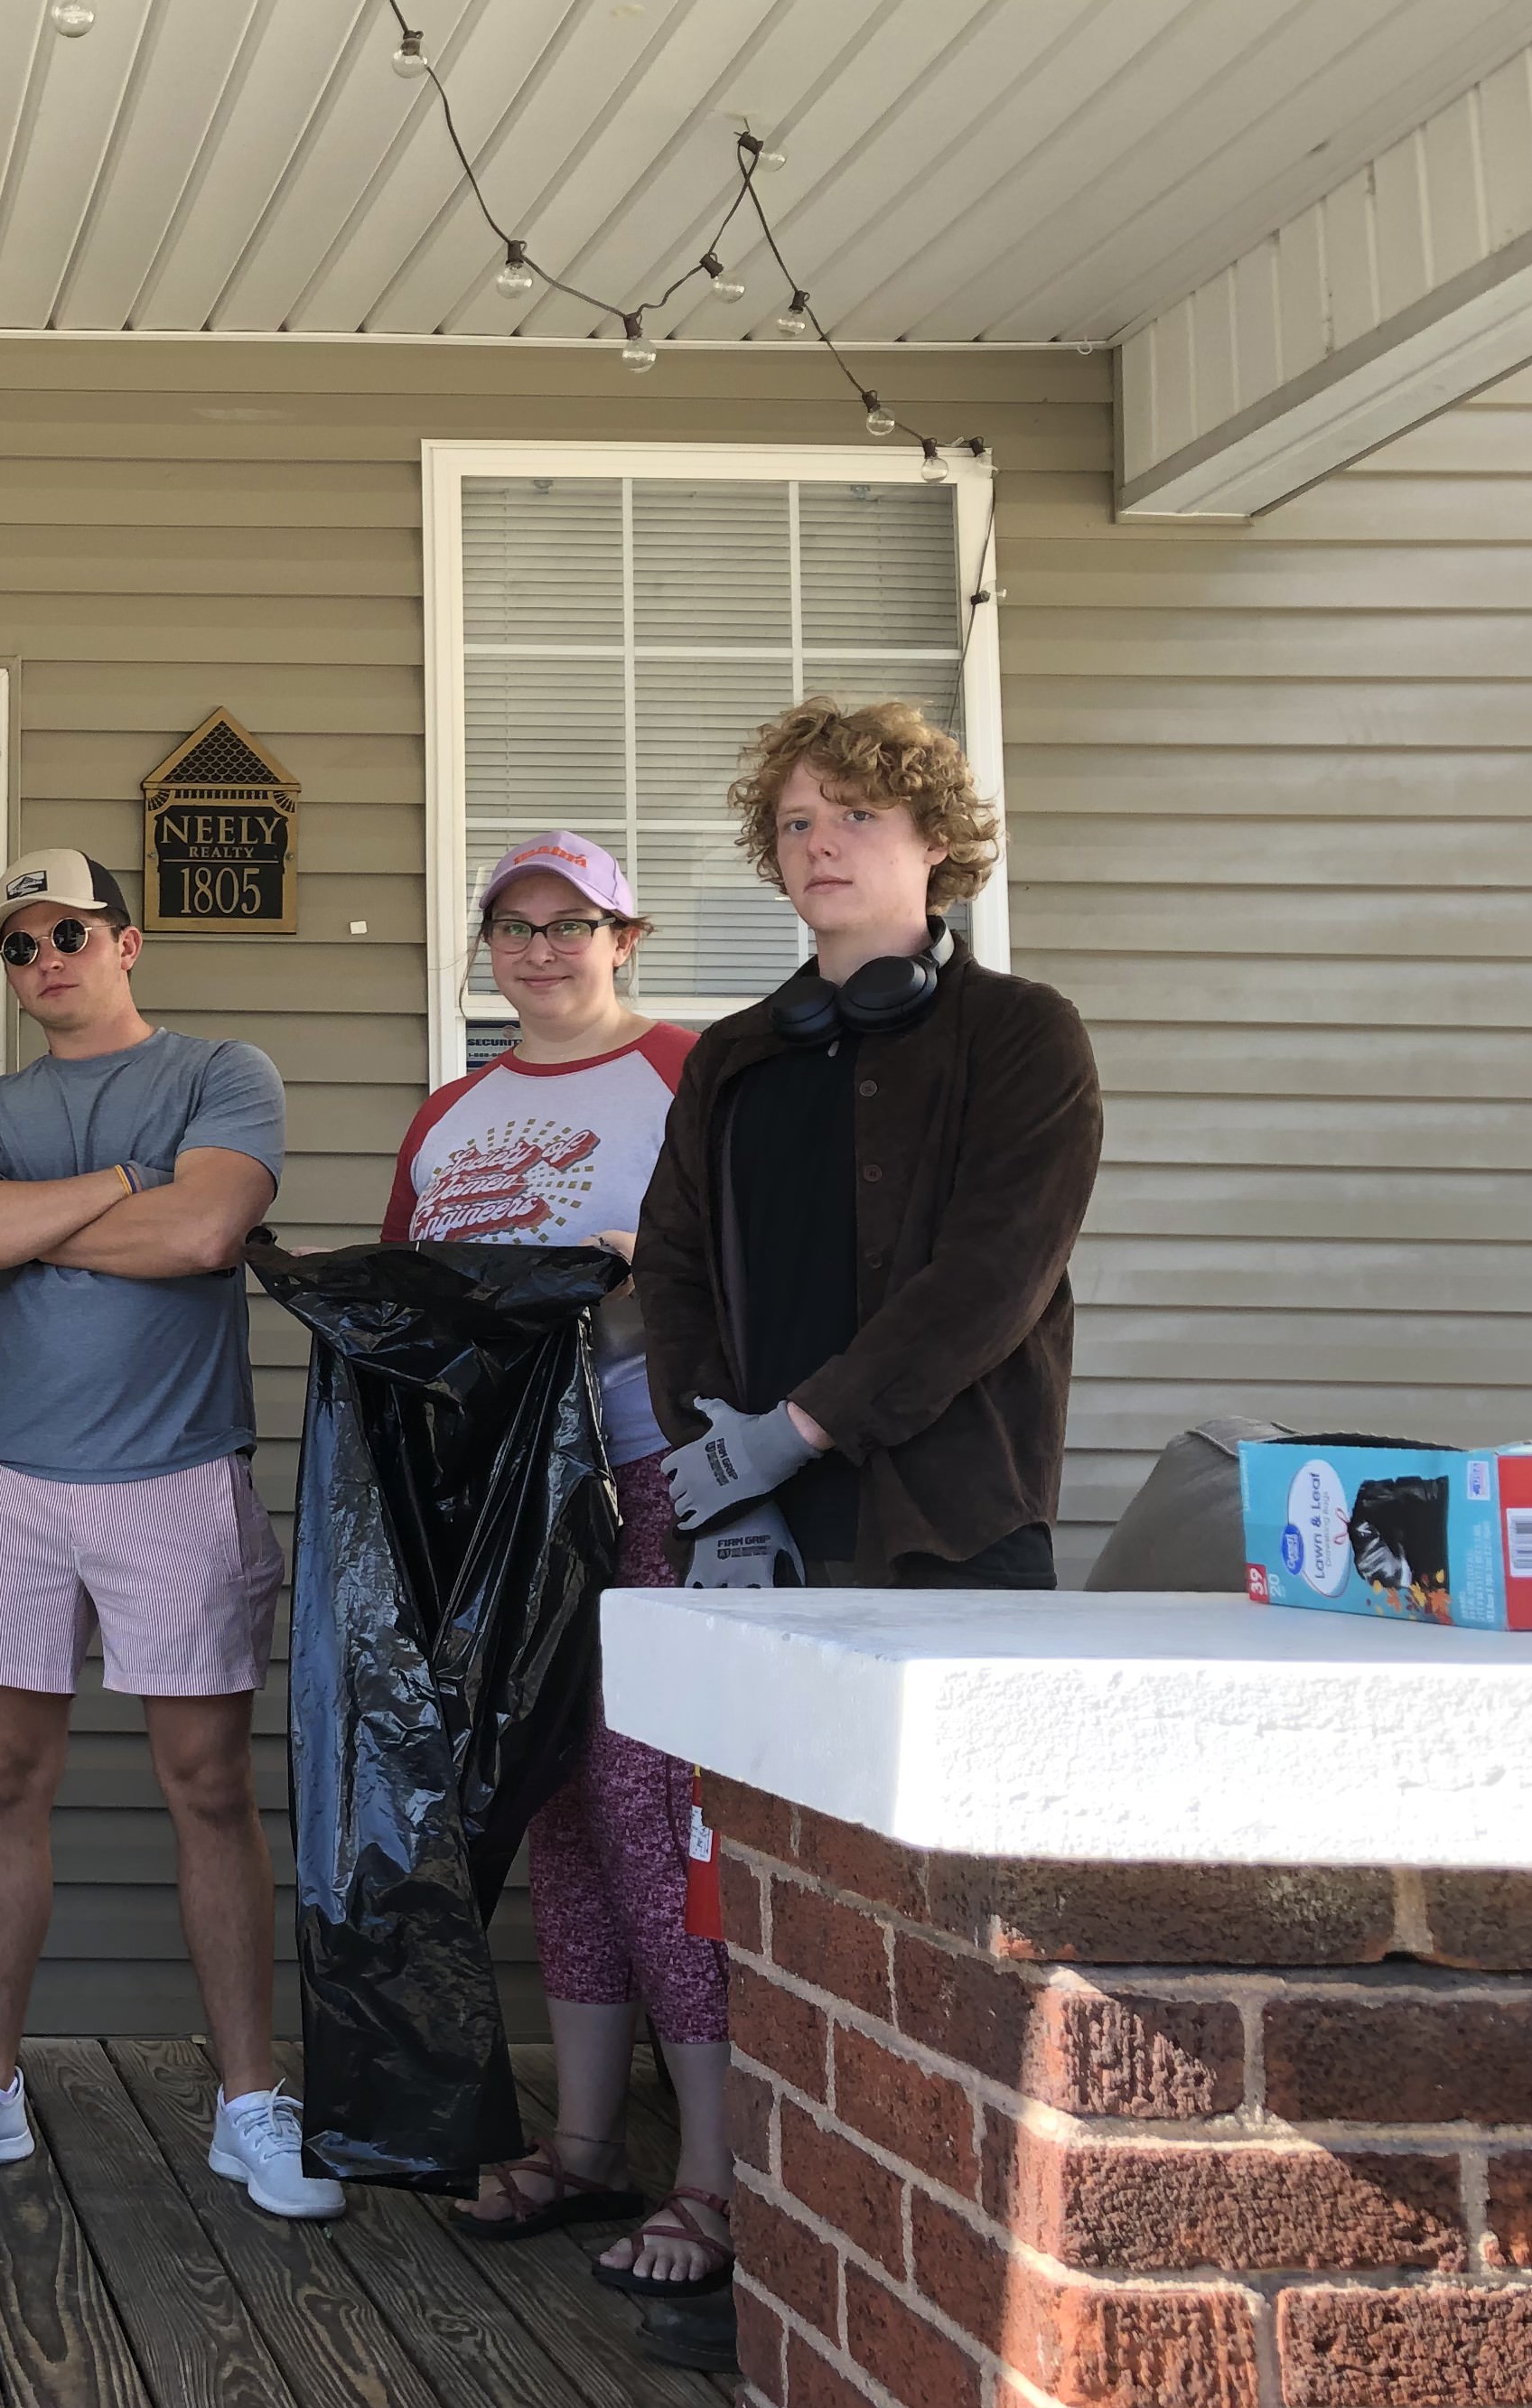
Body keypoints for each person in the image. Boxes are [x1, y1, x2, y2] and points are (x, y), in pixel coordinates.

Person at [0, 849, 337, 2223]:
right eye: (17, 947)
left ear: (126, 942)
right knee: (3, 1778)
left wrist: (45, 1223)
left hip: (174, 1474)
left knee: (207, 1785)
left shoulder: (219, 1070)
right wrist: (108, 1191)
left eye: (67, 932)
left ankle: (250, 2102)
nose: (43, 961)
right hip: (10, 1478)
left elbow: (204, 1232)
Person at [388, 834, 729, 2296]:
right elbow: (408, 1301)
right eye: (512, 925)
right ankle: (586, 2141)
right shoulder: (450, 1112)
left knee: (654, 1802)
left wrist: (634, 1255)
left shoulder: (685, 1072)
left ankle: (719, 2170)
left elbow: (741, 1262)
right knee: (556, 1807)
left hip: (646, 1472)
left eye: (567, 922)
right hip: (500, 1499)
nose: (539, 948)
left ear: (621, 932)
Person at [635, 698, 1102, 1597]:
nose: (820, 843)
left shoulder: (1021, 1031)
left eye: (857, 814)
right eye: (796, 823)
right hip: (759, 1539)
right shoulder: (733, 1054)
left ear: (935, 837)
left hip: (952, 1530)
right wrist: (727, 1472)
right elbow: (671, 1266)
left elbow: (994, 1276)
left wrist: (795, 1434)